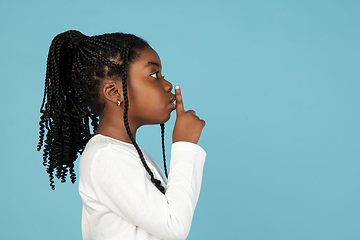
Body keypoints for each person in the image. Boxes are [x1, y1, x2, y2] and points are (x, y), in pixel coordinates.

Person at [37, 30, 206, 240]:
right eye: (154, 75)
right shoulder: (105, 157)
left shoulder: (127, 153)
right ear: (115, 92)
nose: (167, 84)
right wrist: (185, 145)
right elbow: (174, 226)